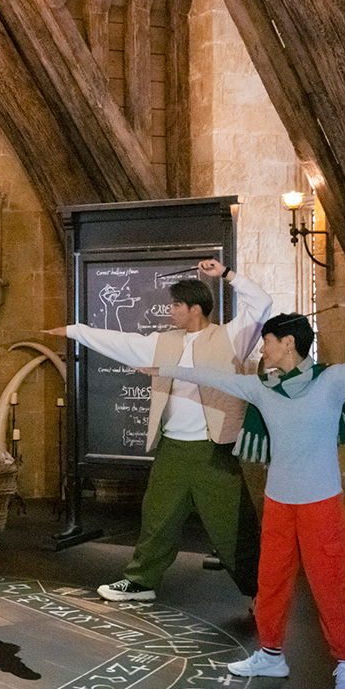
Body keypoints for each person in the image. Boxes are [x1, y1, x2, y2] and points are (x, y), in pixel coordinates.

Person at [160, 291, 345, 689]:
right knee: (271, 581)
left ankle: (344, 664)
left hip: (322, 503)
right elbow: (216, 378)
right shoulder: (263, 388)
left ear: (288, 343)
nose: (262, 348)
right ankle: (270, 654)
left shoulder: (332, 381)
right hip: (279, 503)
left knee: (329, 583)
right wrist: (162, 366)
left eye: (267, 341)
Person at [46, 259, 270, 605]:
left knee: (232, 525)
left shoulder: (231, 336)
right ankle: (140, 581)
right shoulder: (164, 341)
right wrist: (75, 330)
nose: (170, 310)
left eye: (177, 305)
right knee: (157, 517)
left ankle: (260, 592)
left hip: (214, 448)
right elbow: (120, 342)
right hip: (172, 447)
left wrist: (225, 274)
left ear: (195, 309)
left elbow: (262, 303)